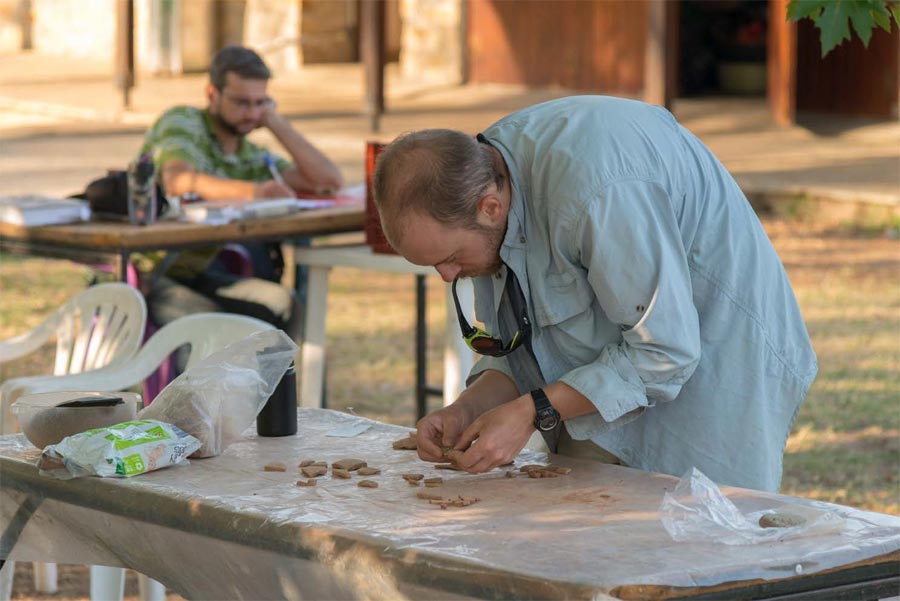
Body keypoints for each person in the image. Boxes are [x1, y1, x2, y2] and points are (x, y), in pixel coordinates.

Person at [373, 96, 817, 492]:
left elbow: (665, 352)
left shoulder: (599, 189)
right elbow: (525, 347)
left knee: (701, 548)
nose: (448, 277)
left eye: (449, 257)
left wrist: (531, 411)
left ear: (490, 207)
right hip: (617, 373)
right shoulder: (488, 178)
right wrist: (466, 410)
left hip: (715, 362)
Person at [134, 45, 343, 349]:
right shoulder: (183, 122)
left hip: (200, 272)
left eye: (260, 103)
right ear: (212, 94)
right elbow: (177, 179)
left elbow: (329, 180)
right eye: (241, 102)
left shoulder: (252, 156)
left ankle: (270, 397)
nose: (251, 113)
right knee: (208, 323)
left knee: (282, 303)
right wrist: (258, 193)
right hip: (148, 273)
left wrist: (275, 122)